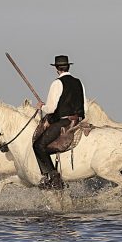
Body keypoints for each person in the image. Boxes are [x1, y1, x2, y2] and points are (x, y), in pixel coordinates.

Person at [34, 55, 87, 190]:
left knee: (38, 145)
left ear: (57, 69)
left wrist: (41, 107)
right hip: (78, 121)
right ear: (68, 66)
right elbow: (85, 107)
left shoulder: (57, 83)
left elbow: (51, 109)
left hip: (64, 122)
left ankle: (53, 178)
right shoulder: (79, 82)